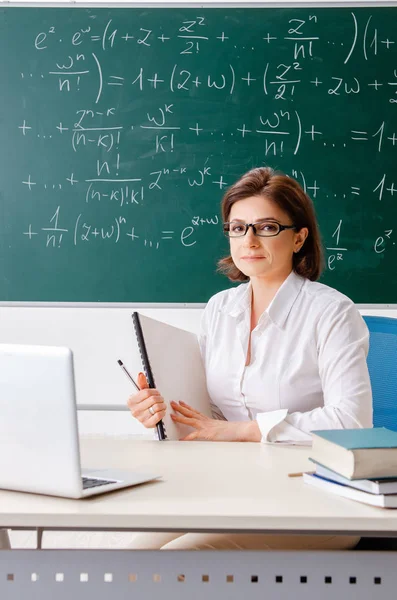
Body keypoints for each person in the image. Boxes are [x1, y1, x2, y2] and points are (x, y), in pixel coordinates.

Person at [126, 166, 373, 550]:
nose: (250, 240)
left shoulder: (333, 313)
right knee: (122, 555)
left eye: (268, 227)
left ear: (298, 238)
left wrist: (248, 431)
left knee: (175, 561)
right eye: (238, 228)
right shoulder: (219, 308)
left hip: (319, 498)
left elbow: (351, 421)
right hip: (231, 486)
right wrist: (159, 413)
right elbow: (212, 420)